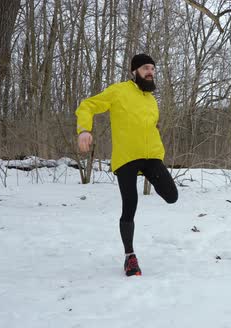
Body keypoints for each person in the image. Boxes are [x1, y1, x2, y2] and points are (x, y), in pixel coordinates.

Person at [75, 54, 178, 277]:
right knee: (130, 203)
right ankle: (129, 257)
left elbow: (150, 126)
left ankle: (153, 176)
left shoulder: (151, 100)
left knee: (172, 196)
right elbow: (88, 105)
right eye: (145, 68)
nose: (150, 71)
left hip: (151, 157)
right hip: (127, 158)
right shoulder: (118, 91)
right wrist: (84, 129)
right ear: (134, 71)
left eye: (152, 68)